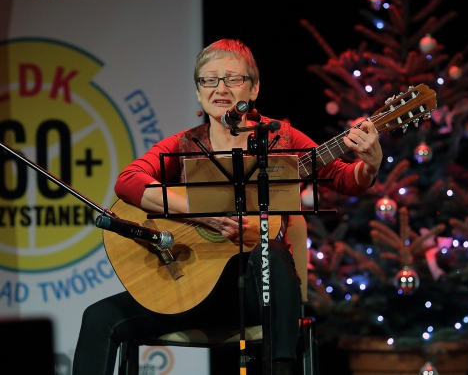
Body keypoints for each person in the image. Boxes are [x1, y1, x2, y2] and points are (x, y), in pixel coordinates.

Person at [73, 39, 382, 375]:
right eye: (209, 80)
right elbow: (128, 181)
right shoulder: (186, 144)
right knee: (99, 318)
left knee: (272, 252)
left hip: (259, 295)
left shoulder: (280, 139)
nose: (220, 88)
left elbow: (344, 179)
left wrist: (370, 165)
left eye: (233, 79)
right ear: (198, 91)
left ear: (254, 88)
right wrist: (200, 213)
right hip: (191, 289)